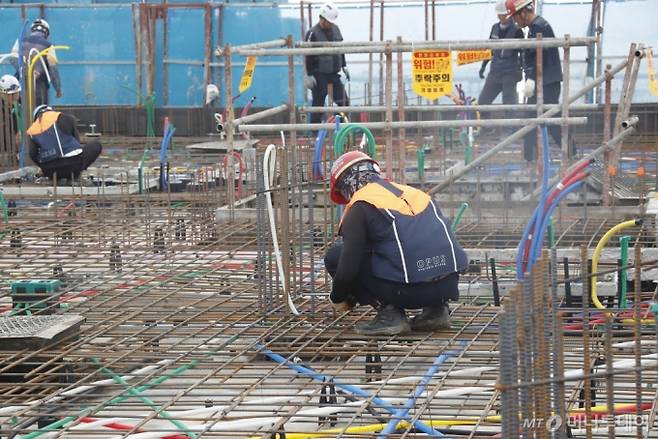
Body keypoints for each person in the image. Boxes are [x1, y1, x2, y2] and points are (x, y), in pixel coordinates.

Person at [324, 151, 469, 336]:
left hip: (407, 292)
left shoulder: (361, 205)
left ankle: (389, 314)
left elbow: (347, 267)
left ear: (346, 183)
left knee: (336, 256)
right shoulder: (416, 194)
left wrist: (338, 297)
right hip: (447, 286)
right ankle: (436, 311)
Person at [506, 0, 563, 161]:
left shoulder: (539, 28)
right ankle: (531, 158)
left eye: (515, 18)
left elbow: (540, 56)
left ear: (523, 13)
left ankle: (570, 154)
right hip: (544, 81)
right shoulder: (536, 27)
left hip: (546, 82)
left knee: (548, 120)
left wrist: (531, 79)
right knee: (537, 119)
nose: (515, 22)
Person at [477, 0, 524, 131]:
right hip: (495, 71)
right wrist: (483, 66)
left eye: (503, 15)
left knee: (509, 104)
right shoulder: (495, 28)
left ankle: (511, 130)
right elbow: (490, 49)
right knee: (483, 102)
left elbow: (524, 52)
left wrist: (523, 69)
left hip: (510, 72)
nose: (501, 18)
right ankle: (487, 127)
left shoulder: (517, 31)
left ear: (509, 15)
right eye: (499, 15)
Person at [27, 105, 101, 181]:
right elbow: (77, 144)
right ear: (51, 111)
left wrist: (43, 167)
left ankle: (54, 177)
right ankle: (75, 176)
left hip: (50, 170)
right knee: (96, 145)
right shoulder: (65, 117)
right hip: (73, 166)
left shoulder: (33, 129)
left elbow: (32, 154)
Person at [304, 2, 350, 125]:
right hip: (319, 73)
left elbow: (340, 49)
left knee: (344, 102)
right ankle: (314, 133)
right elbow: (308, 55)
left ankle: (339, 126)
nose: (330, 24)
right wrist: (309, 75)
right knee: (318, 102)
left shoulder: (336, 30)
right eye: (328, 22)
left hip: (334, 72)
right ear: (322, 18)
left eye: (331, 22)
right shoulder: (312, 33)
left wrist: (344, 66)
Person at [12, 18, 63, 107]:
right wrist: (58, 89)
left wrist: (25, 71)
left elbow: (13, 58)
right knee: (39, 114)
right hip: (39, 86)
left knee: (19, 112)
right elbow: (52, 69)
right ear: (46, 33)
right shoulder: (48, 45)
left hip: (20, 84)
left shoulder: (20, 41)